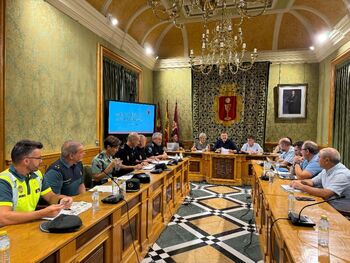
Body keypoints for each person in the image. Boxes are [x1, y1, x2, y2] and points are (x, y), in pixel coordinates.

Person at [0, 140, 73, 226]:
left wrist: (61, 200)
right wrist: (41, 213)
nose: (41, 161)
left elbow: (50, 197)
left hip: (28, 224)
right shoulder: (4, 181)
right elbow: (3, 218)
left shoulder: (37, 174)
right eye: (39, 158)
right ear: (26, 161)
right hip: (9, 229)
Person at [291, 148, 350, 213]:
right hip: (328, 205)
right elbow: (312, 182)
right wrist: (299, 182)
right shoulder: (326, 169)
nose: (316, 160)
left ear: (327, 160)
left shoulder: (342, 174)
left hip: (340, 212)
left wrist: (301, 187)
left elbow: (326, 193)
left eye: (319, 157)